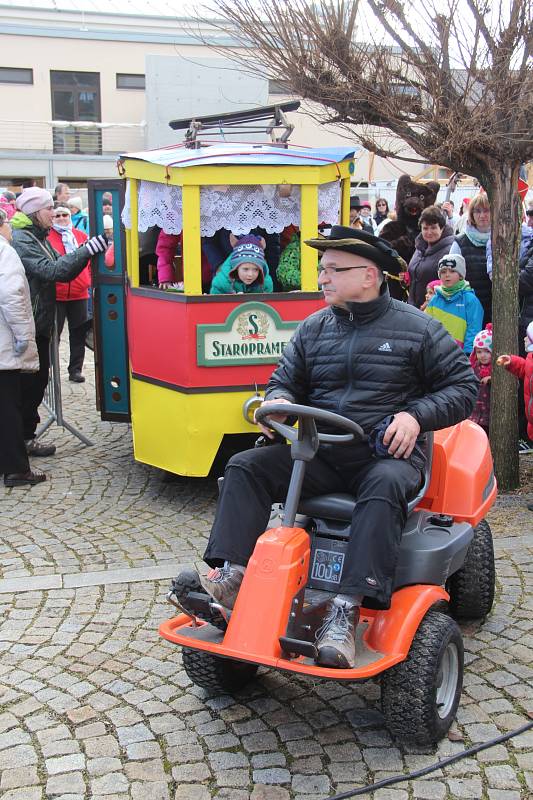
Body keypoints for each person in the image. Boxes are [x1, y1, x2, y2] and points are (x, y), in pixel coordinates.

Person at [172, 226, 478, 669]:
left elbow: (463, 388)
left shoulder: (420, 330)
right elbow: (286, 381)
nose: (323, 277)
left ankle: (346, 608)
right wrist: (277, 405)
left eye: (335, 269)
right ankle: (234, 576)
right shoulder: (314, 329)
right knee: (245, 465)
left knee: (383, 485)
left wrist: (415, 416)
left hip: (385, 457)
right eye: (322, 269)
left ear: (370, 275)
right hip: (321, 455)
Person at [11, 187, 106, 456]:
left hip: (39, 324)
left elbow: (62, 267)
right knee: (28, 385)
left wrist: (85, 252)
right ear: (33, 212)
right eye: (47, 209)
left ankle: (25, 438)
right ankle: (20, 442)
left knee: (38, 382)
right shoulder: (23, 240)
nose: (53, 213)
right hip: (28, 325)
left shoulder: (36, 236)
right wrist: (86, 250)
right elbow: (52, 270)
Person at [0, 208, 45, 487]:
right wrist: (23, 338)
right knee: (8, 408)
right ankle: (16, 468)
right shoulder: (5, 252)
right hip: (4, 346)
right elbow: (12, 296)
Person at [48, 206, 91, 383]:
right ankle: (49, 370)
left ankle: (75, 369)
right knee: (53, 335)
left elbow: (88, 259)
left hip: (79, 293)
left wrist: (86, 279)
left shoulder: (80, 235)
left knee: (78, 333)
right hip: (56, 293)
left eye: (65, 214)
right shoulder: (47, 237)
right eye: (57, 215)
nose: (62, 218)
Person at [425, 254, 483, 354]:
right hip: (436, 353)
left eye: (452, 271)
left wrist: (469, 352)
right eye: (443, 272)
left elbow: (473, 328)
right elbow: (426, 325)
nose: (447, 275)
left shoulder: (470, 300)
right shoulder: (435, 300)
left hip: (460, 355)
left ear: (460, 275)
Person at [449, 194, 491, 325]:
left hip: (496, 308)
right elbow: (450, 274)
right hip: (468, 308)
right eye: (477, 211)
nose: (482, 215)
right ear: (471, 214)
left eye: (486, 210)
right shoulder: (460, 241)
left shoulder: (503, 239)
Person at [407, 206, 455, 308]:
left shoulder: (450, 251)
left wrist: (431, 301)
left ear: (442, 228)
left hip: (435, 308)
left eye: (433, 227)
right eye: (425, 228)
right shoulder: (420, 247)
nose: (429, 232)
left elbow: (451, 285)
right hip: (414, 307)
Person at [497, 321, 533, 457]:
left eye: (527, 337)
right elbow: (526, 370)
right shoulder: (530, 358)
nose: (523, 339)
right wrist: (512, 362)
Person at [469, 326, 492, 435]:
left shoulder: (496, 368)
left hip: (489, 415)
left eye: (487, 351)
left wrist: (492, 379)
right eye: (479, 352)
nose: (483, 355)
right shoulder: (473, 367)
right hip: (474, 414)